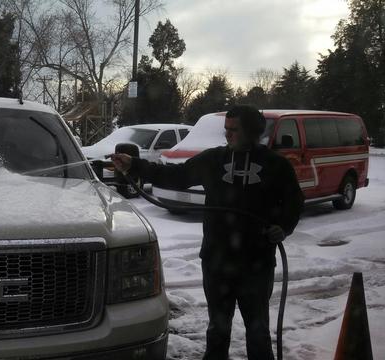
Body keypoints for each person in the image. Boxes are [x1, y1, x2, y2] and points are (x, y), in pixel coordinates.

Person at [111, 105, 304, 359]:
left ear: (253, 132)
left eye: (234, 130)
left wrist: (283, 226)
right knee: (217, 330)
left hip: (256, 265)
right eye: (226, 129)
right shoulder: (214, 160)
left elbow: (293, 201)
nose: (228, 135)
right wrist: (134, 165)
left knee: (258, 333)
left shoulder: (276, 165)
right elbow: (175, 176)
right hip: (216, 262)